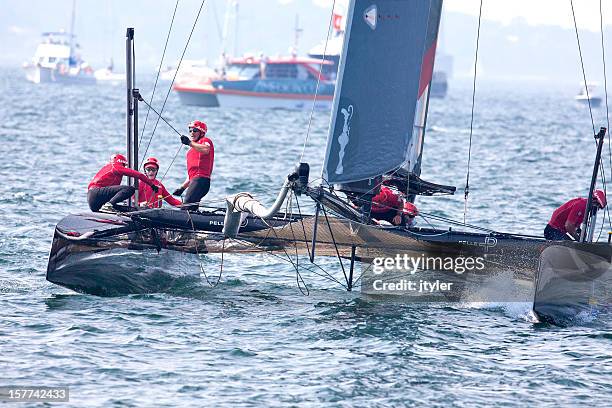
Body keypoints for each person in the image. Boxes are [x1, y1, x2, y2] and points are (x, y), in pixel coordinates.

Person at [87, 153, 158, 212]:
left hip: (93, 201)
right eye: (124, 166)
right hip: (97, 194)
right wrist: (152, 185)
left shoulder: (106, 168)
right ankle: (108, 206)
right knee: (130, 189)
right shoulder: (115, 167)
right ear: (121, 163)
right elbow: (139, 175)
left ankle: (109, 207)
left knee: (131, 210)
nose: (124, 167)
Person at [173, 120, 214, 211]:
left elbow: (206, 149)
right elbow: (192, 175)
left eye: (195, 130)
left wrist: (189, 143)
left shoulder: (205, 141)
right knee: (192, 211)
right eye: (190, 130)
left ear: (201, 132)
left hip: (201, 181)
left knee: (185, 209)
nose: (192, 133)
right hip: (195, 181)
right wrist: (182, 188)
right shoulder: (191, 151)